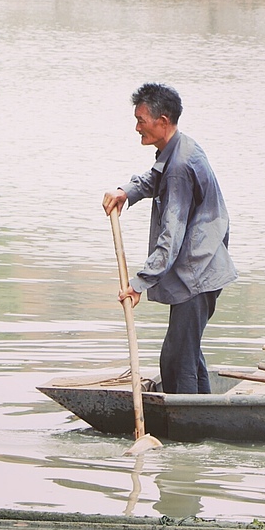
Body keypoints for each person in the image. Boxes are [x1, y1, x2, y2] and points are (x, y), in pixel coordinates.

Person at [102, 83, 237, 395]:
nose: (137, 127)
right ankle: (204, 416)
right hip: (199, 269)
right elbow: (155, 177)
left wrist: (139, 283)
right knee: (186, 354)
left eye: (141, 120)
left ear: (162, 121)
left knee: (176, 359)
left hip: (198, 272)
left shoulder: (180, 164)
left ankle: (189, 428)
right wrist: (127, 192)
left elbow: (170, 238)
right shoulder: (178, 148)